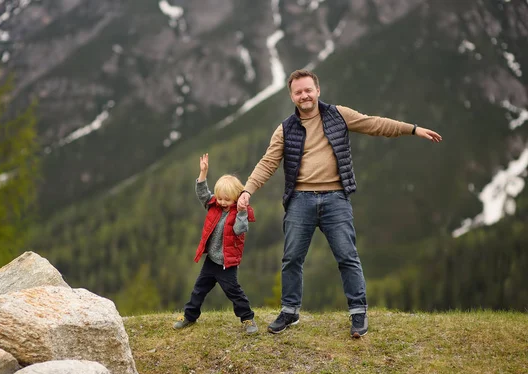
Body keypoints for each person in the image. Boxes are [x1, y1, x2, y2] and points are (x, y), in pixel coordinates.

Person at [237, 69, 442, 338]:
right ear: (292, 96)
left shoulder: (338, 115)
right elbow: (268, 162)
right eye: (298, 92)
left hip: (336, 198)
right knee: (291, 259)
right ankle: (290, 311)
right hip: (300, 200)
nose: (304, 95)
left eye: (308, 89)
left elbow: (374, 124)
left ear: (318, 90)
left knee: (347, 257)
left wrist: (412, 129)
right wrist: (247, 190)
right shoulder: (285, 129)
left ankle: (358, 314)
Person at [174, 153, 258, 334]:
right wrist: (203, 173)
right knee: (199, 290)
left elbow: (240, 230)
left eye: (227, 199)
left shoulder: (239, 213)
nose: (222, 202)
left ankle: (248, 319)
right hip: (211, 261)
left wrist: (242, 211)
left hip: (227, 264)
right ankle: (190, 316)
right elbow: (203, 194)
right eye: (220, 198)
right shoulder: (214, 205)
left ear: (236, 198)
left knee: (234, 293)